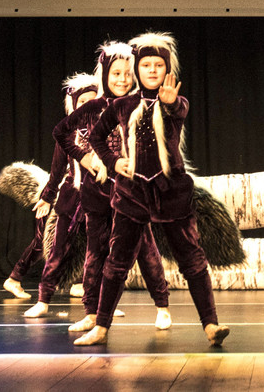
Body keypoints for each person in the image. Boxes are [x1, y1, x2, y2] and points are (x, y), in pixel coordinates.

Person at [74, 33, 230, 347]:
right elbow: (96, 137)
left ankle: (211, 325)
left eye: (159, 65)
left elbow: (176, 113)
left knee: (192, 259)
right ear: (137, 69)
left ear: (167, 69)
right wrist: (113, 162)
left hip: (170, 191)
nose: (152, 70)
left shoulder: (177, 102)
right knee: (117, 261)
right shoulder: (122, 105)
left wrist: (169, 103)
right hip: (132, 192)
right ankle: (101, 327)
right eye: (146, 65)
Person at [54, 41, 173, 333]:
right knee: (95, 253)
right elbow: (61, 132)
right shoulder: (93, 107)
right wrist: (83, 158)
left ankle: (162, 306)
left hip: (131, 192)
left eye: (127, 74)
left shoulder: (138, 105)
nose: (122, 79)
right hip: (96, 191)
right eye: (116, 73)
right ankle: (91, 312)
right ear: (105, 74)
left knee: (145, 250)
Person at [20, 73, 98, 316]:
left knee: (98, 254)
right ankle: (43, 300)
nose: (88, 105)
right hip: (71, 197)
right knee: (58, 250)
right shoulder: (68, 131)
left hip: (99, 197)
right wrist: (47, 196)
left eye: (93, 100)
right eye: (83, 101)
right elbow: (57, 169)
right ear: (74, 104)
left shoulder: (108, 128)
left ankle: (99, 304)